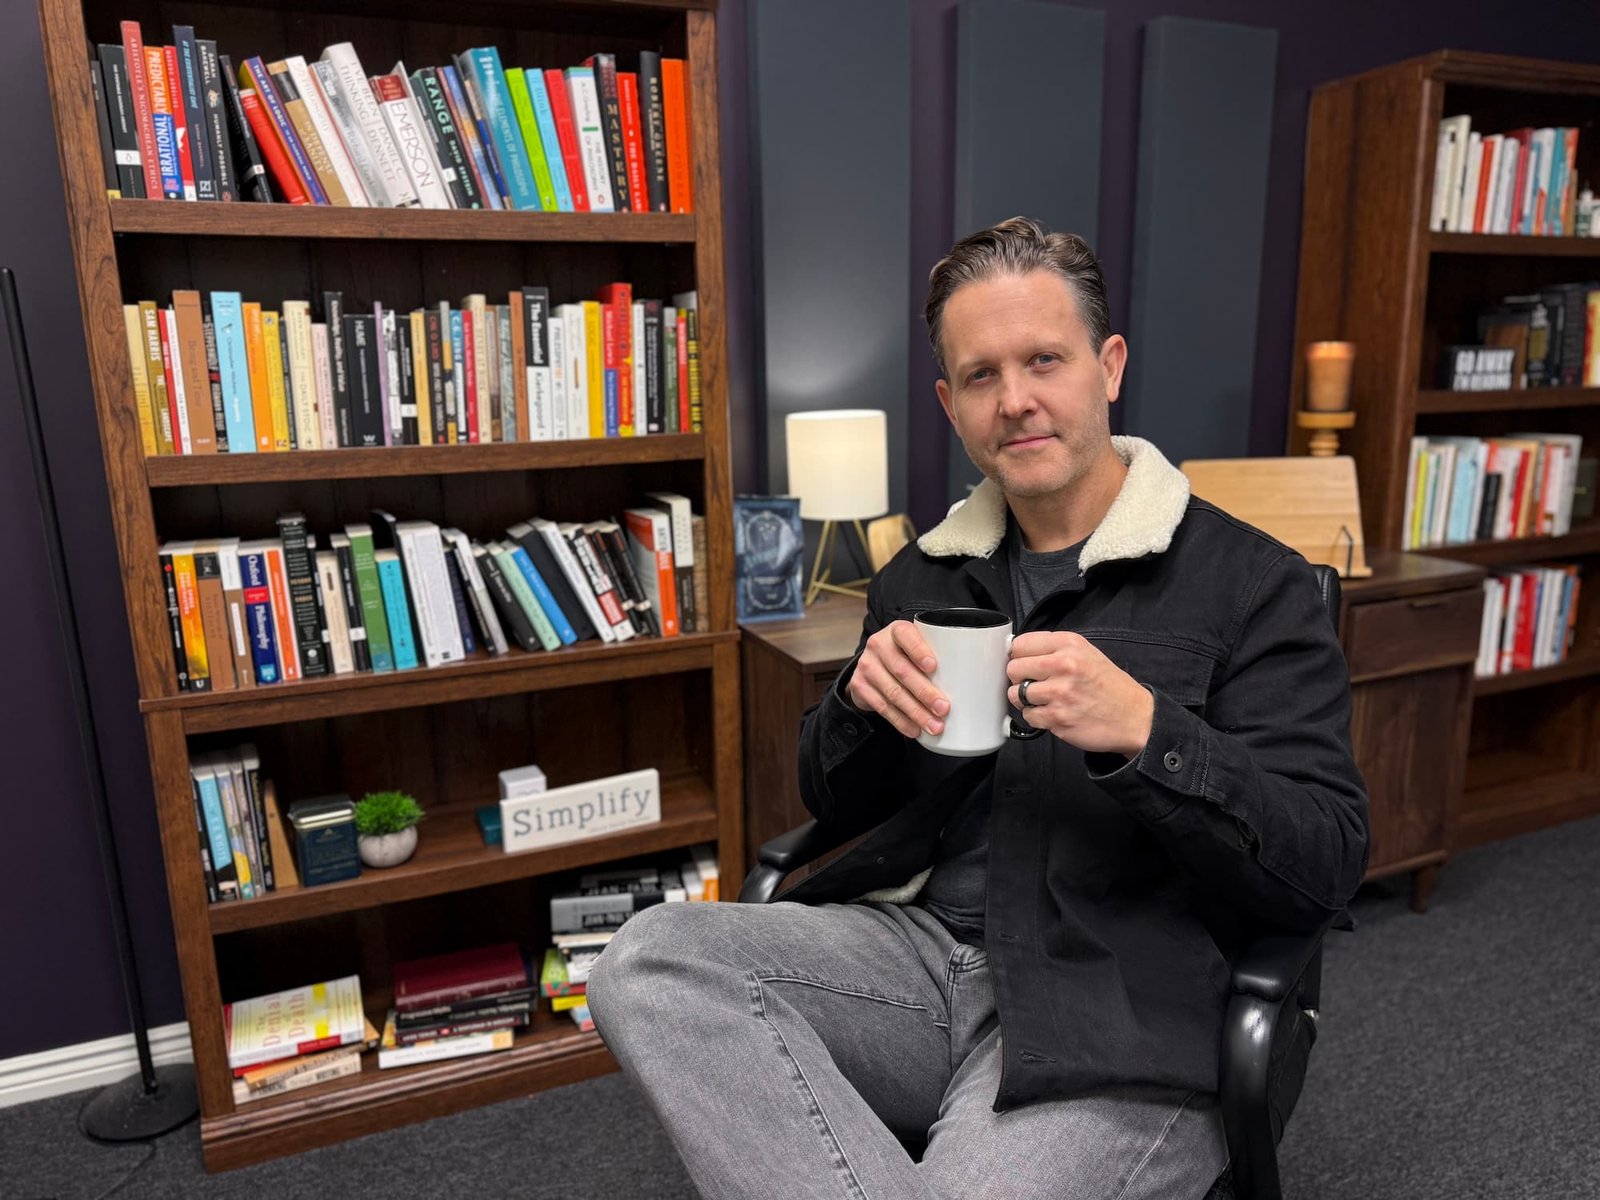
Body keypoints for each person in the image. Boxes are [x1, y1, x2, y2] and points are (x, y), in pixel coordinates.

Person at [586, 216, 1369, 1199]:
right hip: (916, 961)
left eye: (1044, 359)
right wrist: (857, 709)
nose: (1017, 401)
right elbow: (835, 802)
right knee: (647, 956)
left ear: (1109, 365)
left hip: (1121, 995)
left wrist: (1149, 733)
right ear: (948, 403)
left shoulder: (1253, 583)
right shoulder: (920, 572)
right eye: (981, 375)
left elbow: (1326, 863)